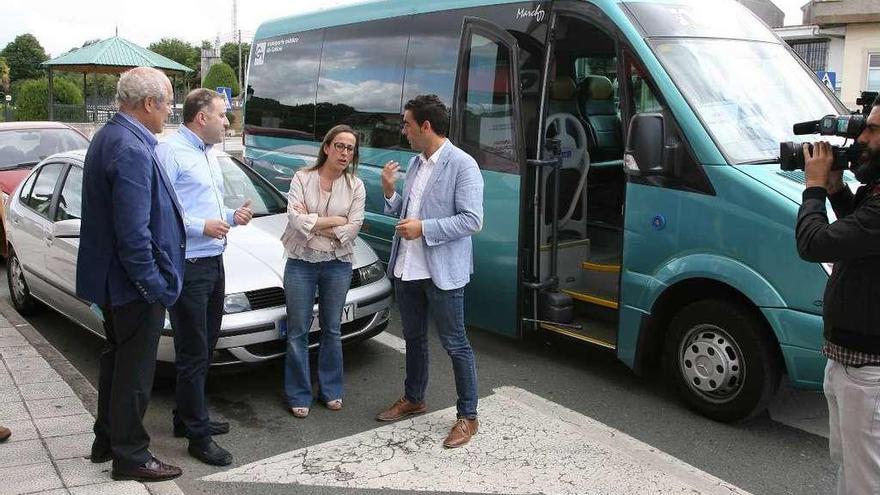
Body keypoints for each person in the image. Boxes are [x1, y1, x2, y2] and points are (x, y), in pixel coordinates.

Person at [76, 67, 184, 482]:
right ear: (149, 104)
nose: (169, 110)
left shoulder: (112, 135)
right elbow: (133, 235)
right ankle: (132, 456)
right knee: (135, 372)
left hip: (114, 283)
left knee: (118, 362)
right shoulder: (131, 148)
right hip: (131, 286)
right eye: (168, 102)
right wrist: (153, 286)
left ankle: (107, 440)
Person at [375, 95, 484, 448]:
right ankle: (414, 398)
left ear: (425, 126)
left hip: (443, 272)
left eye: (406, 124)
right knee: (414, 339)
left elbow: (472, 220)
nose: (402, 130)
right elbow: (406, 213)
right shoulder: (415, 162)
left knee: (455, 344)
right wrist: (390, 193)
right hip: (408, 268)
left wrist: (425, 228)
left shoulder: (463, 165)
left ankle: (468, 416)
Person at [156, 88, 253, 467]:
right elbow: (161, 211)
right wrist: (202, 226)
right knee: (194, 351)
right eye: (223, 115)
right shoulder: (170, 151)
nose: (227, 122)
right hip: (188, 264)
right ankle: (197, 437)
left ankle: (186, 418)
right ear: (201, 117)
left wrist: (231, 217)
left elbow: (206, 209)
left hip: (214, 261)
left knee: (206, 344)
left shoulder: (209, 153)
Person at [796, 96, 880, 495]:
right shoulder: (875, 193)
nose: (862, 137)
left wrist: (813, 187)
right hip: (850, 364)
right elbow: (860, 238)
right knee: (850, 466)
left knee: (866, 481)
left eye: (874, 130)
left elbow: (814, 244)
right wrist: (836, 191)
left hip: (869, 376)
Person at [281, 124, 365, 418]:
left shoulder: (356, 186)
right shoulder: (303, 178)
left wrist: (315, 222)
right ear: (327, 147)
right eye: (340, 146)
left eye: (350, 148)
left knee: (332, 329)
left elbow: (353, 228)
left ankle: (331, 390)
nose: (344, 153)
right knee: (298, 331)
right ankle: (298, 393)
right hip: (301, 262)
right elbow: (295, 220)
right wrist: (334, 221)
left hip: (337, 264)